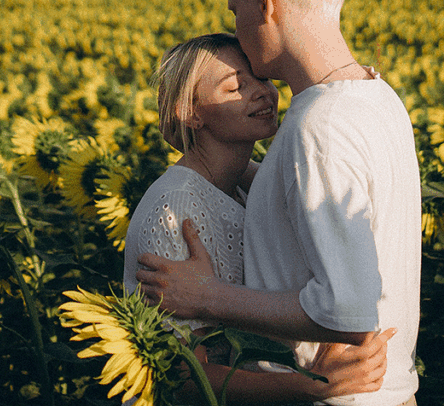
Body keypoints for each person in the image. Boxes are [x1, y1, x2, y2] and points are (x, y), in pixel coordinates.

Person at [136, 0, 423, 406]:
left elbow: (347, 307)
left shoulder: (321, 125)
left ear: (264, 2)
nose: (235, 28)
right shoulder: (376, 96)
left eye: (235, 10)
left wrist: (206, 297)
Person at [123, 32, 395, 404]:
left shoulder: (242, 184)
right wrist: (312, 385)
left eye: (262, 79)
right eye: (235, 86)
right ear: (190, 112)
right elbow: (181, 375)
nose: (262, 93)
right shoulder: (175, 209)